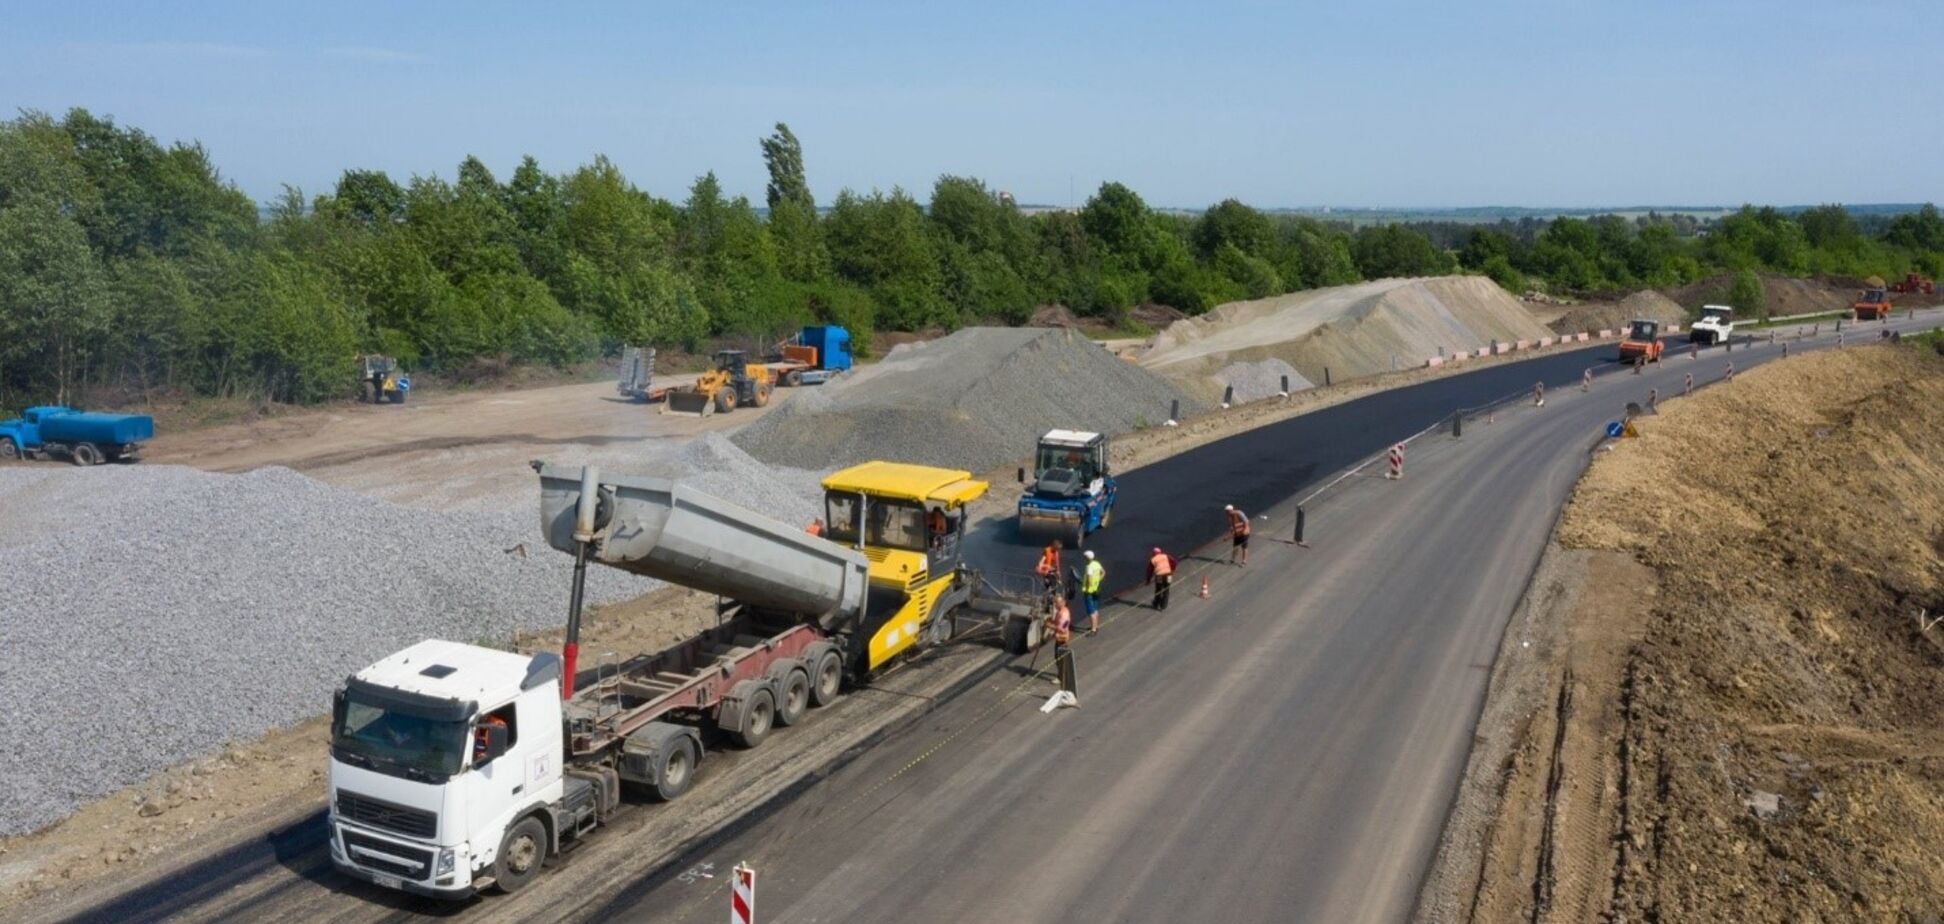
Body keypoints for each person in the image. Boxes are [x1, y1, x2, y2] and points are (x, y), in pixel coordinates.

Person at [1051, 599, 1078, 703]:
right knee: (1057, 657)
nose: (1055, 605)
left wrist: (1051, 625)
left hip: (1062, 639)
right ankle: (1061, 675)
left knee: (1060, 658)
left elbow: (1062, 628)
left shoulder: (1064, 614)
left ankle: (1061, 677)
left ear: (1062, 602)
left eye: (1056, 603)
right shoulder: (1061, 611)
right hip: (1059, 638)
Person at [1146, 546, 1177, 611]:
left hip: (1159, 576)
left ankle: (1156, 604)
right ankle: (1163, 606)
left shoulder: (1153, 559)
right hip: (1168, 575)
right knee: (1166, 589)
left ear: (1153, 553)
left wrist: (1148, 580)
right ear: (1160, 552)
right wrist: (1172, 570)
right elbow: (1174, 562)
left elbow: (1149, 571)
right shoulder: (1166, 556)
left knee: (1158, 590)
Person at [1081, 550, 1104, 635]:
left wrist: (1087, 586)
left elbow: (1089, 580)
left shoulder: (1089, 567)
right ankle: (1096, 626)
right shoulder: (1097, 563)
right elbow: (1103, 573)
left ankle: (1093, 629)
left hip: (1089, 591)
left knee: (1091, 611)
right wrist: (1098, 581)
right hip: (1096, 590)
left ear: (1087, 558)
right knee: (1096, 608)